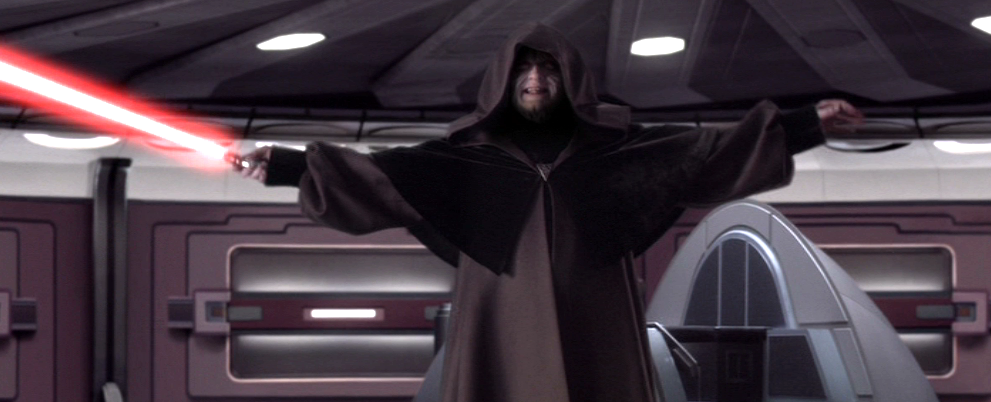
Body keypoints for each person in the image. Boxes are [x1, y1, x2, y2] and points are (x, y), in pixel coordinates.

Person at [235, 23, 863, 402]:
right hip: (498, 329)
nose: (536, 78)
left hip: (598, 324)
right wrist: (285, 165)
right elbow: (373, 175)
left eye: (548, 68)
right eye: (525, 68)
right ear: (504, 82)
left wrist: (807, 125)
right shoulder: (463, 162)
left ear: (571, 80)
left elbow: (712, 153)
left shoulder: (619, 152)